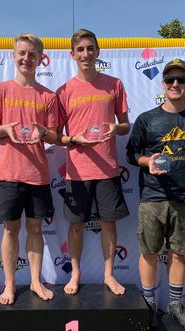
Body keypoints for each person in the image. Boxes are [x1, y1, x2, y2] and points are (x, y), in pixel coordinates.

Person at [126, 59, 185, 328]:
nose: (175, 84)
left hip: (183, 197)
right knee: (149, 252)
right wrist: (147, 162)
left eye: (181, 80)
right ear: (163, 83)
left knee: (179, 253)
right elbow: (131, 154)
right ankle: (149, 304)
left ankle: (174, 304)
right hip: (152, 196)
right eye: (170, 79)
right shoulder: (147, 119)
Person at [56, 29, 130, 296]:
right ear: (72, 55)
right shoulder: (63, 91)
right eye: (81, 50)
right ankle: (74, 275)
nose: (86, 54)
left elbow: (124, 125)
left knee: (109, 224)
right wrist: (74, 139)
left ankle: (109, 275)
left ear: (98, 52)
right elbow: (56, 136)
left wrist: (115, 128)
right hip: (76, 172)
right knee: (76, 225)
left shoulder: (115, 84)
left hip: (108, 169)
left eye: (90, 49)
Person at [0, 33, 58, 305]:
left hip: (38, 173)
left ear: (41, 59)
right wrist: (4, 129)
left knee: (36, 229)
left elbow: (54, 136)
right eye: (22, 53)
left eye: (32, 54)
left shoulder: (48, 96)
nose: (26, 58)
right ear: (13, 55)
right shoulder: (0, 90)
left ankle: (36, 282)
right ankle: (9, 285)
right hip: (9, 173)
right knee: (9, 230)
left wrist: (43, 132)